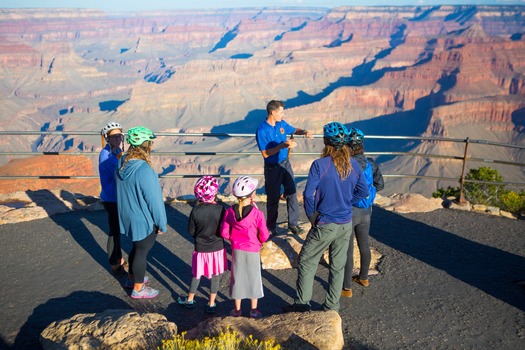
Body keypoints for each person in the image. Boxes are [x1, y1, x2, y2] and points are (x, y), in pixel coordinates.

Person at [285, 122, 368, 312]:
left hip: (325, 222)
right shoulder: (353, 164)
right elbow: (363, 191)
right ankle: (331, 307)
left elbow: (308, 194)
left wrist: (312, 216)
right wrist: (347, 202)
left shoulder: (319, 165)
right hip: (345, 223)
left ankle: (302, 304)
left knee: (307, 260)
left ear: (325, 141)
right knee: (337, 266)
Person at [116, 126, 167, 299]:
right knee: (142, 252)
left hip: (127, 215)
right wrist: (161, 223)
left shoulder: (122, 162)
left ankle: (132, 279)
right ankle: (138, 289)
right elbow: (155, 201)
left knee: (137, 247)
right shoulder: (145, 171)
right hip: (143, 220)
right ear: (146, 144)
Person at [255, 100, 313, 235]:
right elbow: (265, 153)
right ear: (273, 112)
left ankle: (293, 224)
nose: (283, 114)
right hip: (272, 168)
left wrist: (304, 131)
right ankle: (271, 228)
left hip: (285, 164)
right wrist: (283, 146)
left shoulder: (281, 124)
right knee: (273, 198)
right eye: (281, 112)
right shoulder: (262, 130)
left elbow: (294, 129)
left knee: (292, 193)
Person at [342, 127, 384, 297]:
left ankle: (346, 288)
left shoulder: (345, 164)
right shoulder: (371, 163)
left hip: (349, 210)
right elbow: (380, 185)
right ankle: (364, 278)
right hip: (366, 209)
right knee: (364, 244)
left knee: (347, 249)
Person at [220, 176, 270, 318]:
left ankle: (237, 310)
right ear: (252, 194)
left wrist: (233, 239)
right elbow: (264, 235)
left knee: (238, 277)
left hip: (237, 249)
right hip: (253, 249)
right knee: (254, 277)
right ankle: (254, 310)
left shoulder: (230, 212)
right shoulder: (257, 214)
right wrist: (260, 242)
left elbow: (224, 232)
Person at [177, 176, 227, 314]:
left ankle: (190, 299)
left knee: (197, 274)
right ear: (214, 192)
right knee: (215, 275)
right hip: (217, 248)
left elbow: (191, 231)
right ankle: (211, 303)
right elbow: (224, 228)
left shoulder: (196, 211)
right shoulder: (220, 209)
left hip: (201, 248)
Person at [98, 121, 127, 274]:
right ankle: (114, 263)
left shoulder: (114, 152)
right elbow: (121, 173)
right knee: (114, 231)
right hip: (111, 198)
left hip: (114, 197)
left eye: (120, 136)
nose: (118, 139)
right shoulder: (107, 157)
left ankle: (119, 258)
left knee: (116, 229)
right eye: (114, 136)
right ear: (107, 138)